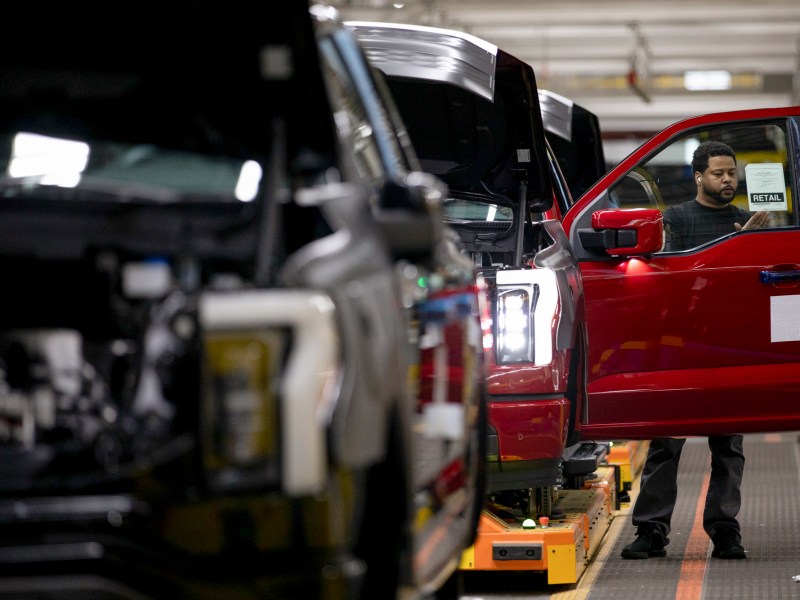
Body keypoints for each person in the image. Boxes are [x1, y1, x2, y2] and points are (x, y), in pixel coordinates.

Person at [621, 140, 768, 561]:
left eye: (731, 173)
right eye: (719, 173)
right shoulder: (677, 220)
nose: (727, 180)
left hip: (731, 347)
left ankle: (725, 530)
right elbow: (669, 283)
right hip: (683, 345)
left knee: (729, 446)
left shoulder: (749, 223)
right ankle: (652, 530)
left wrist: (750, 247)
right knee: (665, 443)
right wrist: (730, 250)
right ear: (698, 177)